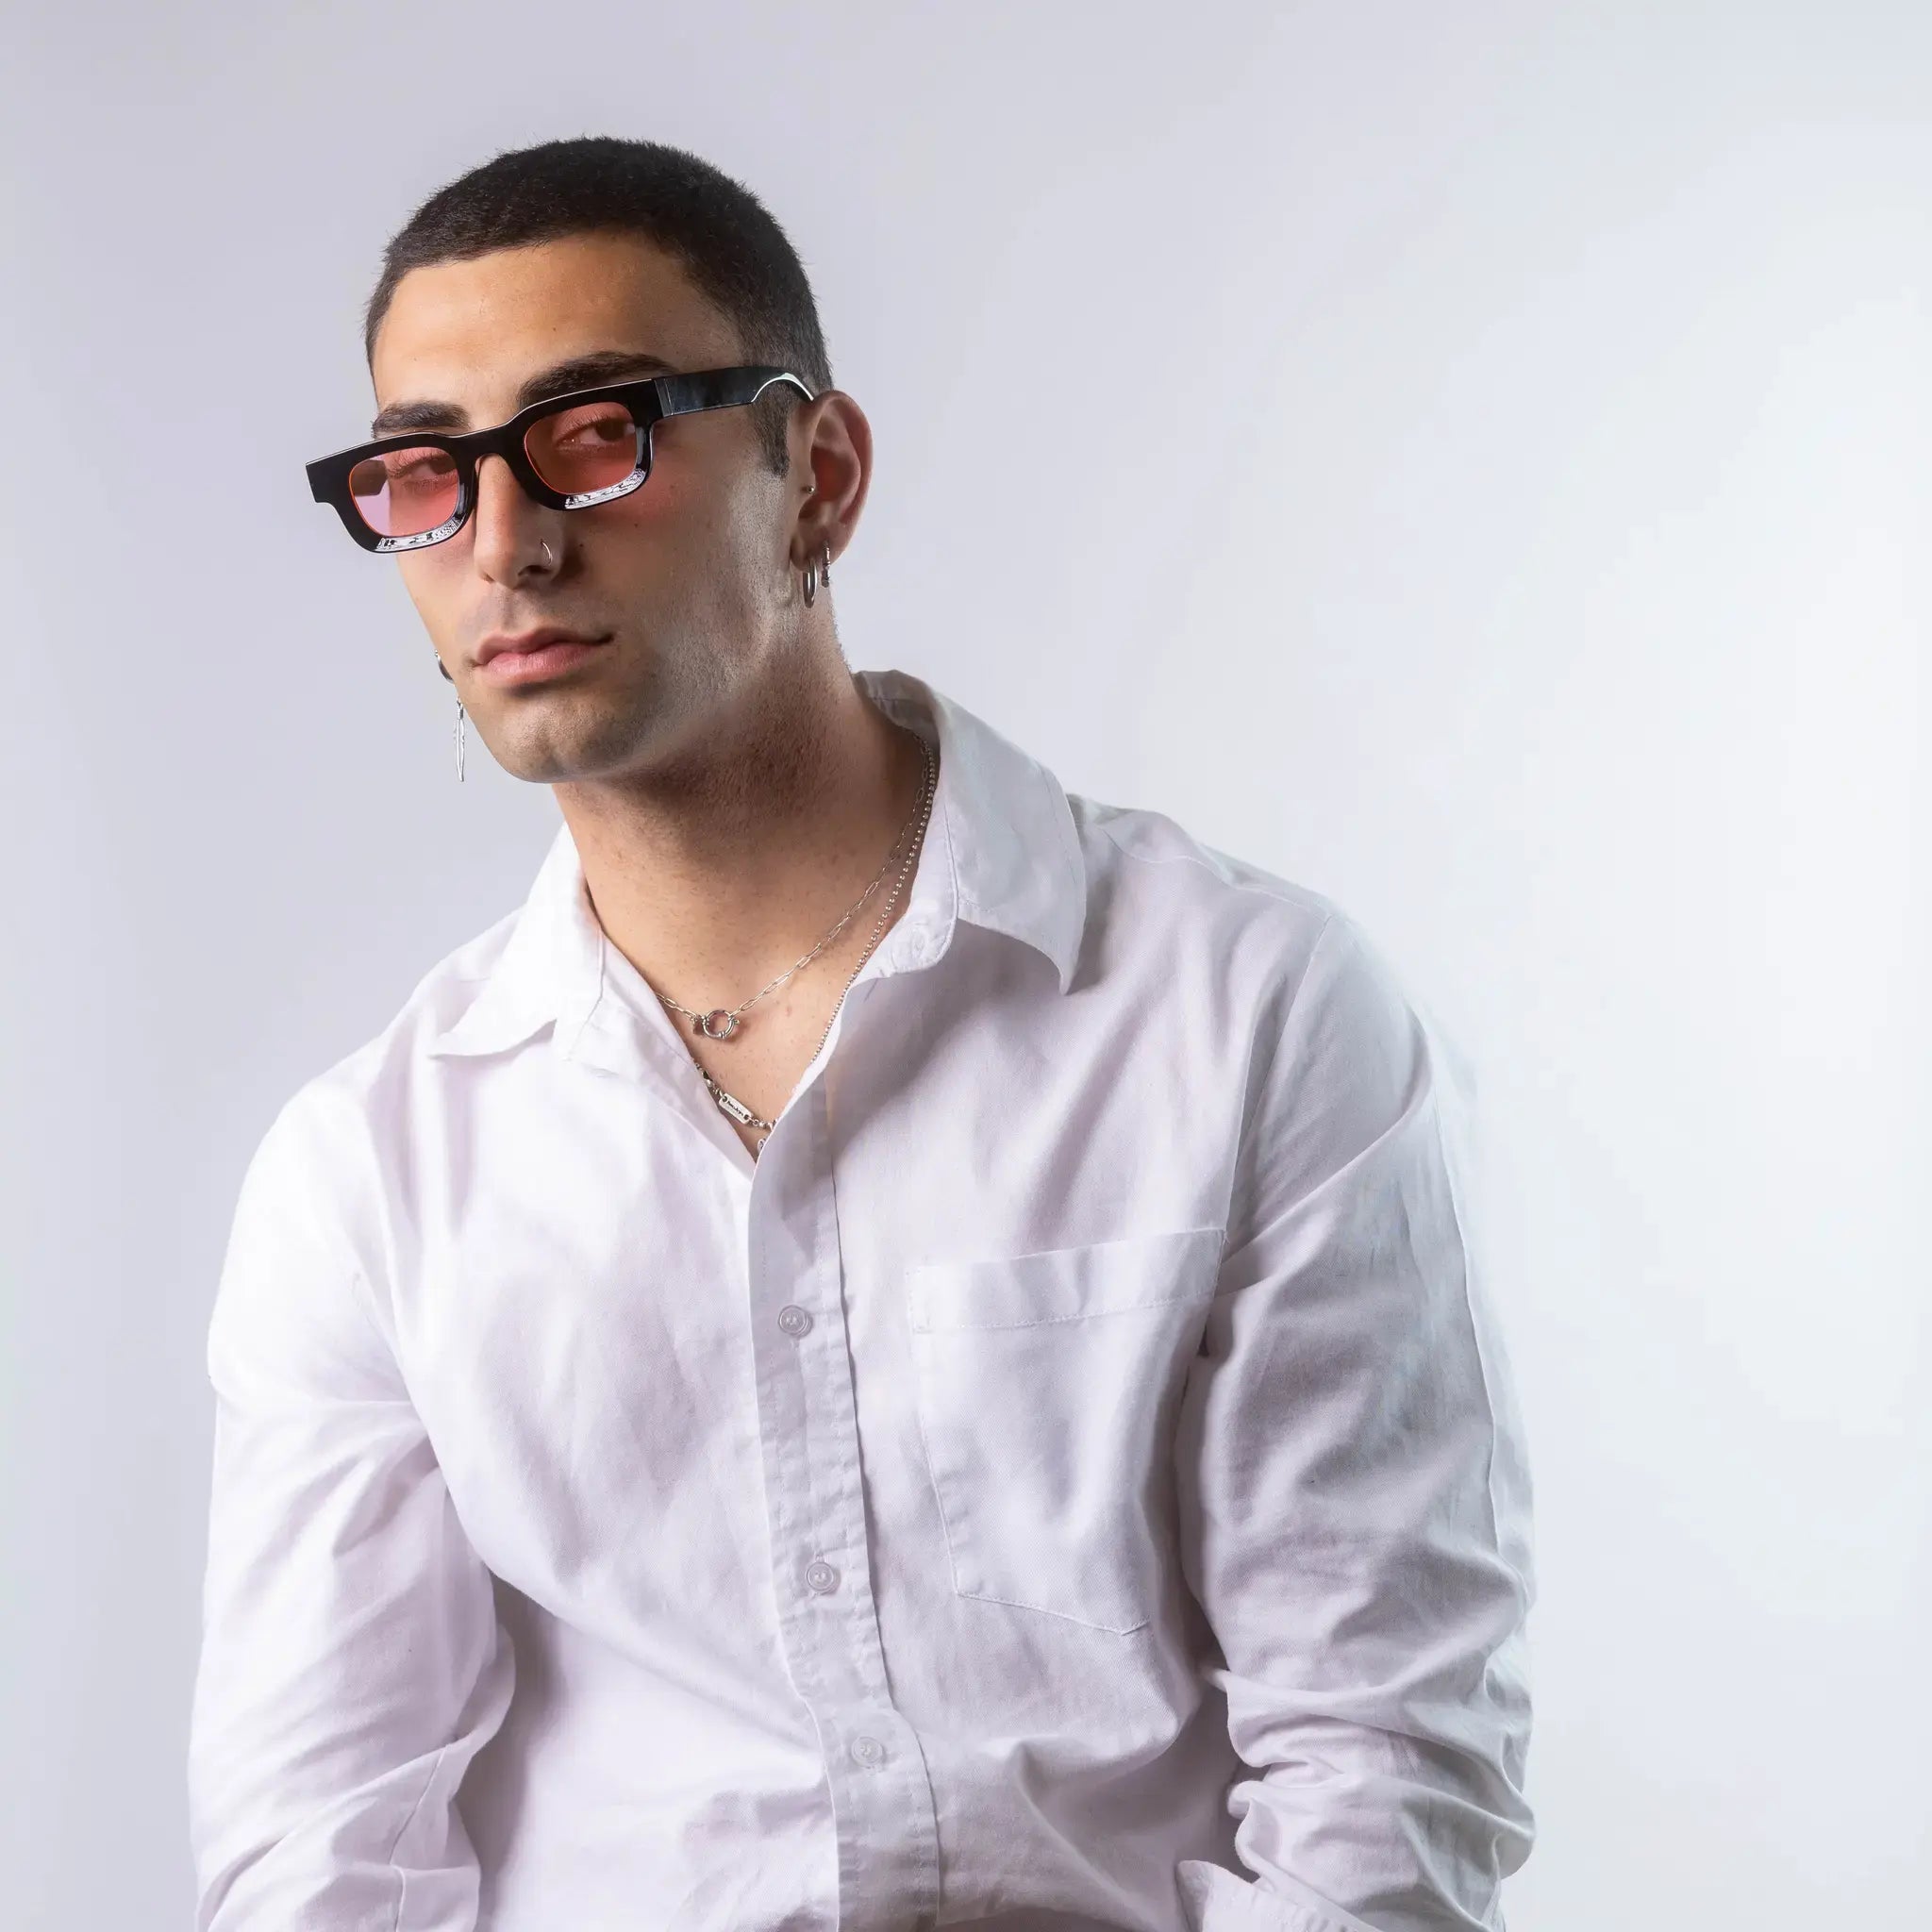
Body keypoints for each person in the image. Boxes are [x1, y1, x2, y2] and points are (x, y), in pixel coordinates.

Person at [187, 135, 1537, 1932]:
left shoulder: (1246, 1015)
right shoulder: (365, 1174)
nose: (506, 540)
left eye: (597, 432)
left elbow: (1385, 1763)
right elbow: (320, 1854)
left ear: (815, 475)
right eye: (425, 472)